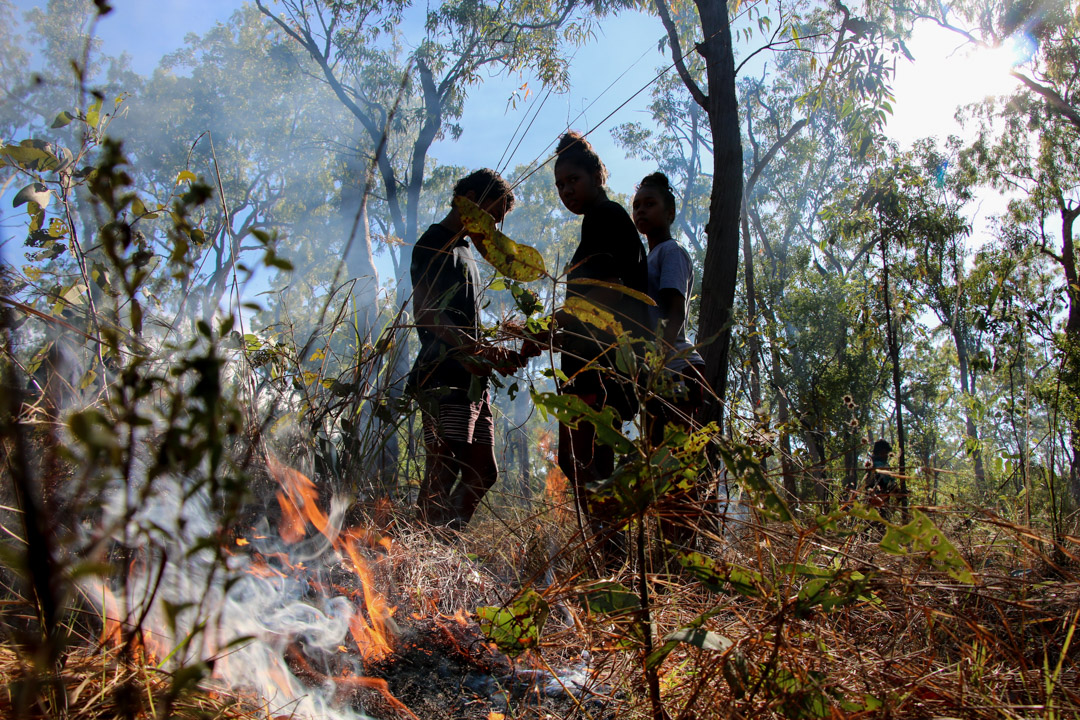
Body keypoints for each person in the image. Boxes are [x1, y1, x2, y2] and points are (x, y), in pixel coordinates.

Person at [408, 169, 530, 531]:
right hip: (442, 374)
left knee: (483, 470)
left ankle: (444, 542)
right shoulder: (435, 241)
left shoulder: (466, 252)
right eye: (491, 217)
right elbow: (427, 314)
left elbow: (464, 321)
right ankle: (419, 550)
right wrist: (480, 351)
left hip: (471, 379)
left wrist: (493, 352)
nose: (491, 230)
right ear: (470, 199)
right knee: (442, 467)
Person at [552, 131, 649, 567]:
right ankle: (612, 561)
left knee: (586, 463)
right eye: (559, 186)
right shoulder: (603, 221)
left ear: (596, 175)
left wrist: (555, 323)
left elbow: (605, 292)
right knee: (587, 463)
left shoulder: (604, 217)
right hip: (596, 365)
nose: (566, 191)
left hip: (597, 368)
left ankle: (613, 563)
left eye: (572, 180)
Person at [632, 171, 708, 549]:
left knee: (677, 468)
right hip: (658, 377)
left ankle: (686, 554)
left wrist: (657, 363)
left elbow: (674, 311)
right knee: (661, 468)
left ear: (670, 211)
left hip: (677, 371)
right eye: (637, 205)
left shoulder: (671, 253)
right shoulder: (649, 256)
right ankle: (671, 557)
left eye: (651, 203)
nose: (642, 210)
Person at [865, 439, 896, 518]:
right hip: (876, 496)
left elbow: (890, 481)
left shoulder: (884, 464)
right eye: (885, 452)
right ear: (880, 452)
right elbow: (885, 480)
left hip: (882, 498)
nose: (886, 455)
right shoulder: (875, 464)